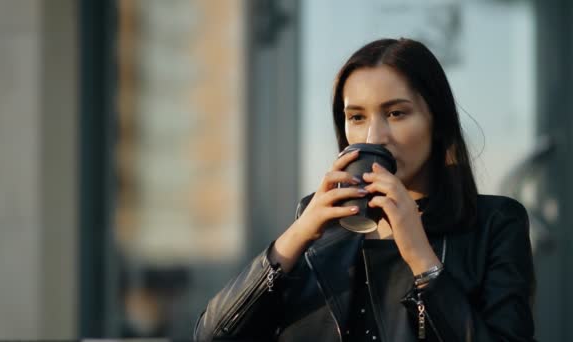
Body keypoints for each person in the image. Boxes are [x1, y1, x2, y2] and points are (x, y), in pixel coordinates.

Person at [194, 38, 536, 341]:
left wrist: (421, 257)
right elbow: (211, 336)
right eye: (356, 117)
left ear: (438, 122)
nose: (375, 137)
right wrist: (295, 238)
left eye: (397, 113)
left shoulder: (495, 223)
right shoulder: (318, 227)